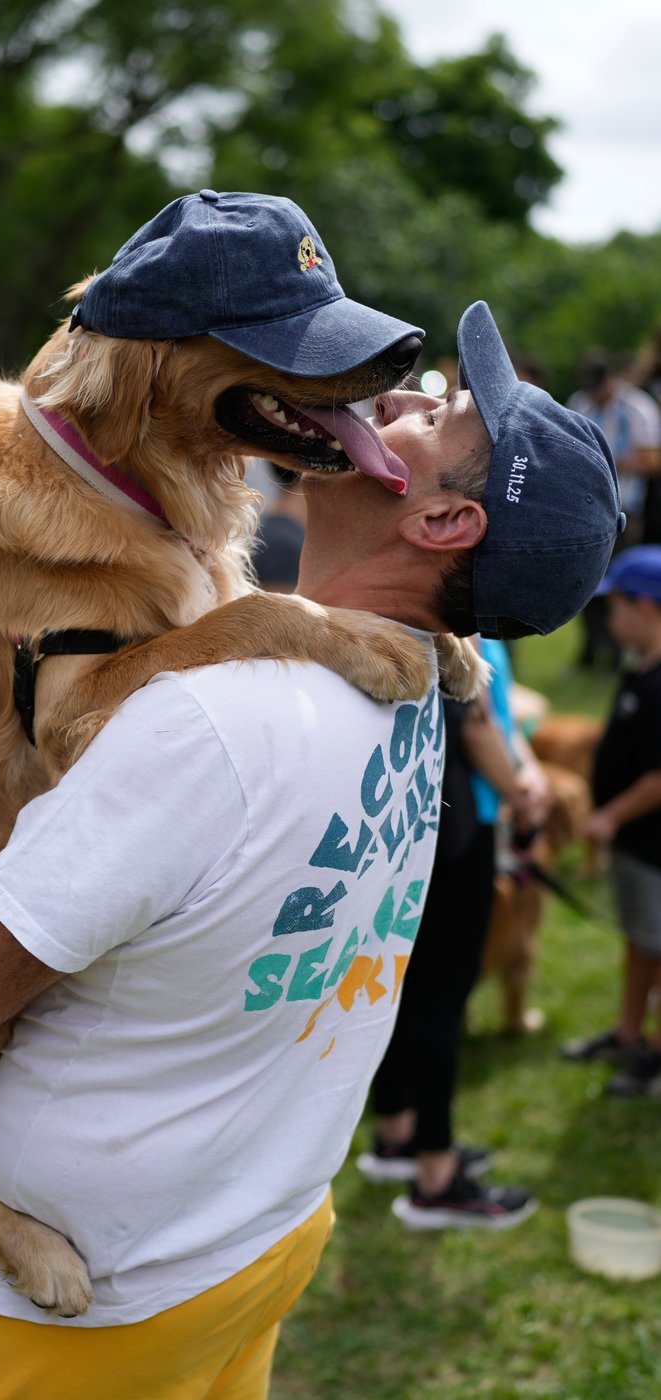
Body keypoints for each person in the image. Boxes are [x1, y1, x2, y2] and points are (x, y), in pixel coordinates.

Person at [0, 282, 622, 1400]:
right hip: (262, 1236)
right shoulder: (419, 687)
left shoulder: (207, 725)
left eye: (433, 418)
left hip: (90, 1302)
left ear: (440, 521)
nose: (390, 398)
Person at [358, 637, 552, 1229]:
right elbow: (474, 723)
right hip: (460, 824)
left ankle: (398, 1134)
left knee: (404, 985)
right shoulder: (459, 620)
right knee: (442, 998)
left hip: (406, 818)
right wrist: (523, 797)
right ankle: (436, 1178)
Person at [561, 545, 661, 1097]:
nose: (609, 619)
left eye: (615, 607)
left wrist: (609, 816)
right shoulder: (639, 670)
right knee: (641, 940)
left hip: (651, 847)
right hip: (634, 845)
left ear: (645, 608)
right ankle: (629, 1033)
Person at [567, 353, 661, 667]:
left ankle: (618, 653)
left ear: (612, 380)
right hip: (586, 506)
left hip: (624, 509)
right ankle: (592, 648)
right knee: (585, 581)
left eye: (600, 387)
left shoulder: (637, 407)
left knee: (620, 584)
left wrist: (607, 459)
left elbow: (652, 460)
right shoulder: (581, 403)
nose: (596, 394)